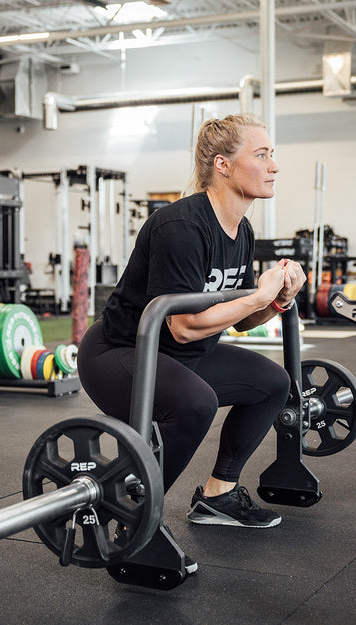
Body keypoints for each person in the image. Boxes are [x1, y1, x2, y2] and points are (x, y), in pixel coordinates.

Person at [77, 113, 306, 535]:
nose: (274, 166)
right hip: (122, 355)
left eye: (272, 155)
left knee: (274, 383)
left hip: (182, 356)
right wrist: (258, 294)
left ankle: (218, 496)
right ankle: (136, 518)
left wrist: (276, 301)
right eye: (261, 155)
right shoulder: (181, 226)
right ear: (223, 165)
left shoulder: (242, 231)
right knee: (195, 404)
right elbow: (183, 325)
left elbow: (236, 319)